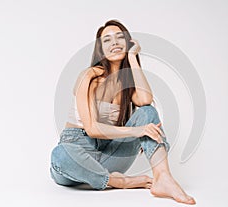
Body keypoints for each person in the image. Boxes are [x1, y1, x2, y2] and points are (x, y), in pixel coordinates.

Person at [50, 19, 196, 205]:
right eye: (107, 40)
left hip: (109, 155)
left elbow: (145, 101)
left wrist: (133, 59)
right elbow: (92, 129)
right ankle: (118, 181)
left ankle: (163, 178)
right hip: (75, 154)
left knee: (147, 112)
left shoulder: (126, 85)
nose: (115, 43)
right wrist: (137, 132)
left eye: (120, 38)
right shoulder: (89, 76)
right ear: (100, 49)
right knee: (59, 155)